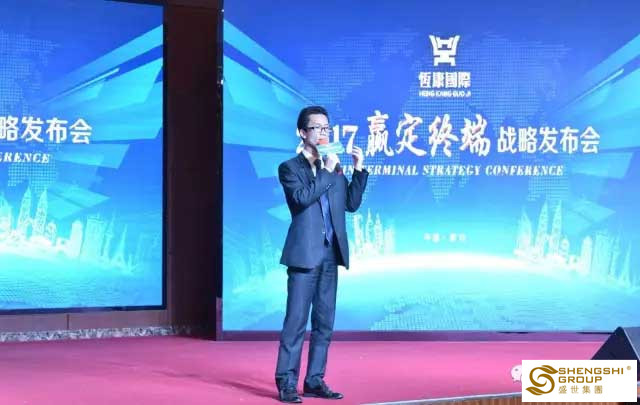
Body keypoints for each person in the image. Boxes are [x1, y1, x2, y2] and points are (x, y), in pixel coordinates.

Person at [274, 106, 368, 403]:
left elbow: (350, 204)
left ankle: (315, 379)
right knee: (296, 322)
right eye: (317, 128)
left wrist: (359, 169)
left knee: (324, 323)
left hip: (330, 254)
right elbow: (302, 199)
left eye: (326, 128)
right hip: (304, 255)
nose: (323, 133)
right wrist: (326, 170)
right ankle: (286, 382)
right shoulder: (290, 168)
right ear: (302, 132)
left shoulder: (335, 168)